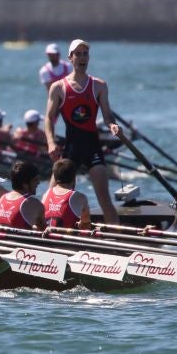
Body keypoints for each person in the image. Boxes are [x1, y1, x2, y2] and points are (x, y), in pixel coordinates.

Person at [45, 39, 120, 223]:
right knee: (51, 197)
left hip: (93, 148)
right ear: (70, 58)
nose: (82, 57)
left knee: (104, 199)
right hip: (70, 150)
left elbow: (108, 116)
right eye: (77, 54)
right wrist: (51, 142)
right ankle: (41, 231)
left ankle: (118, 240)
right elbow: (48, 119)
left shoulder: (99, 85)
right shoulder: (58, 88)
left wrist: (112, 126)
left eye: (85, 54)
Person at [42, 159, 91, 230]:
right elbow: (86, 225)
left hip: (45, 238)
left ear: (55, 177)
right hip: (64, 240)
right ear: (74, 178)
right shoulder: (80, 197)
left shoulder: (46, 194)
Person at [0, 161, 46, 230]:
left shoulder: (1, 199)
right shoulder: (33, 203)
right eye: (35, 180)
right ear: (25, 184)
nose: (38, 183)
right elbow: (43, 231)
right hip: (19, 240)